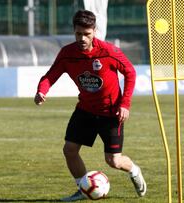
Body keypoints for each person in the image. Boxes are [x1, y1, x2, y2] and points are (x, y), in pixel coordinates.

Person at [34, 10, 147, 202]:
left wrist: (125, 103)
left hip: (111, 113)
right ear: (74, 31)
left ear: (94, 31)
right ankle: (82, 188)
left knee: (113, 161)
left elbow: (130, 72)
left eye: (86, 34)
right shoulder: (67, 54)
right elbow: (50, 75)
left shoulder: (108, 51)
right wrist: (42, 90)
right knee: (69, 150)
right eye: (78, 33)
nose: (82, 38)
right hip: (85, 110)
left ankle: (134, 171)